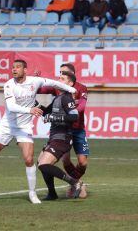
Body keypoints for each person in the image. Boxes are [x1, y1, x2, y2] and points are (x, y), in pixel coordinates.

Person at [0, 60, 77, 204]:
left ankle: (32, 194)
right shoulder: (8, 85)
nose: (14, 70)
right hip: (7, 125)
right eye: (13, 67)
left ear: (25, 70)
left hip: (24, 127)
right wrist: (30, 110)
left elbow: (53, 83)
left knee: (28, 159)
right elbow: (11, 106)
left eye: (18, 67)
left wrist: (71, 90)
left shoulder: (35, 81)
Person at [37, 71, 83, 200]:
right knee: (41, 163)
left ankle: (74, 182)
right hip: (54, 138)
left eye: (62, 79)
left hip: (63, 138)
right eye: (59, 78)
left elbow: (74, 116)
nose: (58, 80)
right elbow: (45, 111)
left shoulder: (67, 98)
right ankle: (52, 193)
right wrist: (31, 100)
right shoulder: (58, 98)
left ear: (70, 83)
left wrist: (53, 117)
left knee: (43, 165)